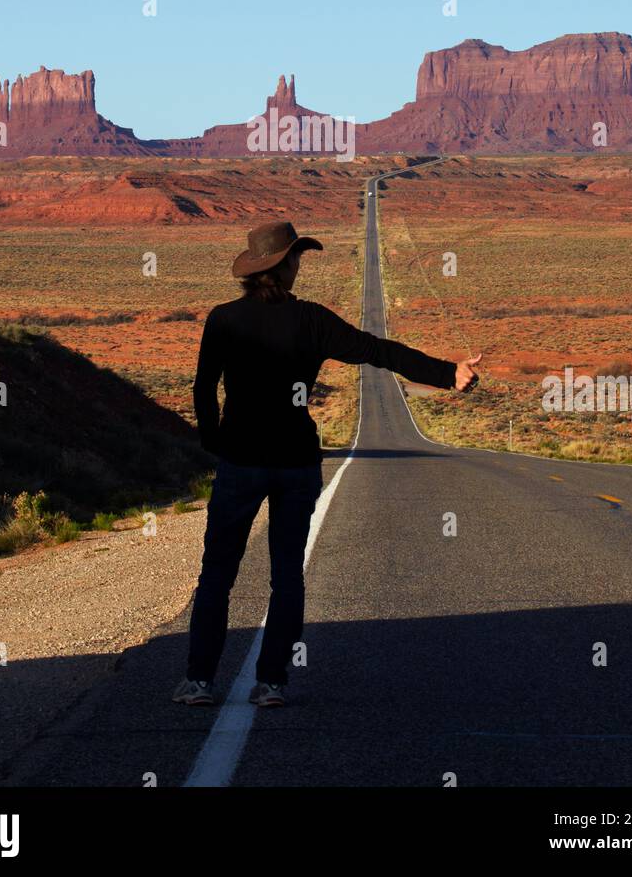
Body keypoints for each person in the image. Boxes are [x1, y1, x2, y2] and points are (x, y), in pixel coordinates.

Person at [173, 219, 481, 708]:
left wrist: (217, 441)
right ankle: (271, 683)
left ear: (255, 270)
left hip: (240, 461)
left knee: (218, 572)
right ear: (286, 264)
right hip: (295, 462)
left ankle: (198, 681)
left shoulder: (223, 319)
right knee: (286, 575)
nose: (300, 266)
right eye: (298, 257)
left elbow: (203, 389)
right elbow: (376, 351)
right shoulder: (312, 321)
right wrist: (446, 373)